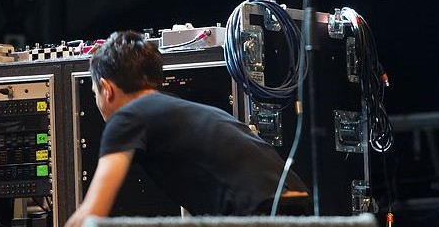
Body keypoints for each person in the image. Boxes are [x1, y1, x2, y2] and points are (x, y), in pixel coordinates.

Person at [65, 31, 308, 227]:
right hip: (297, 205)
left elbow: (90, 215)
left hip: (258, 214)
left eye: (95, 92)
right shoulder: (176, 110)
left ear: (107, 89)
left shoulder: (128, 117)